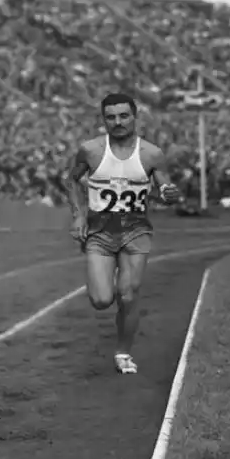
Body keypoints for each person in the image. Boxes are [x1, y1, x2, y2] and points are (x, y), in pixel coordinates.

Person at [66, 93, 182, 374]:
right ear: (103, 119)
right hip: (100, 232)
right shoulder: (91, 150)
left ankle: (123, 353)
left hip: (135, 231)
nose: (117, 122)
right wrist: (79, 214)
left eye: (123, 116)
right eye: (111, 117)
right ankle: (107, 280)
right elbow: (71, 179)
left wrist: (169, 194)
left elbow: (165, 190)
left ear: (135, 117)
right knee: (102, 300)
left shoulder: (151, 154)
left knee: (128, 296)